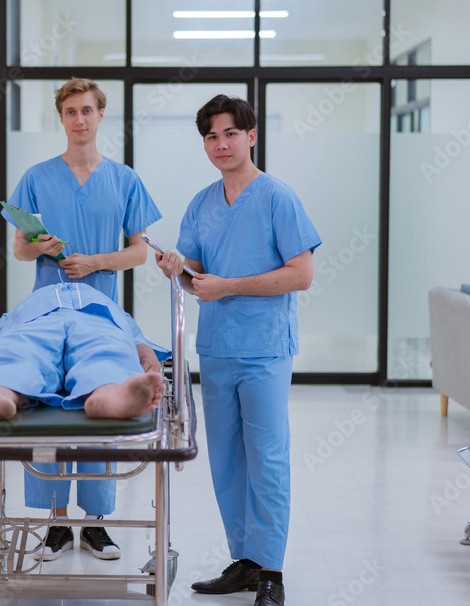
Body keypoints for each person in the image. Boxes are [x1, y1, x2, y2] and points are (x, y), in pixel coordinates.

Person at [155, 95, 321, 606]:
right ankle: (245, 560)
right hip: (218, 350)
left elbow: (301, 274)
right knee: (226, 461)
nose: (221, 144)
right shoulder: (202, 203)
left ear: (251, 136)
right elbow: (198, 278)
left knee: (267, 457)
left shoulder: (277, 198)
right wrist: (177, 271)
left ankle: (271, 569)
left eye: (230, 134)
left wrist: (228, 287)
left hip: (265, 350)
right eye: (211, 136)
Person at [3, 77, 163, 562]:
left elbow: (139, 252)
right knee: (51, 407)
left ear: (100, 115)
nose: (79, 119)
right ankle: (54, 522)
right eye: (70, 111)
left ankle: (94, 524)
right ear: (61, 119)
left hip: (100, 312)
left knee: (98, 403)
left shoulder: (123, 179)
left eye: (87, 110)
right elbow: (18, 250)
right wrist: (41, 246)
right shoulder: (36, 177)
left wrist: (94, 262)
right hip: (48, 309)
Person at [0, 281, 167, 422]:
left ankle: (108, 395)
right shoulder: (27, 305)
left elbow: (131, 335)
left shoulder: (110, 306)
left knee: (107, 349)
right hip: (36, 320)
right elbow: (2, 332)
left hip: (97, 320)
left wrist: (145, 354)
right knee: (19, 350)